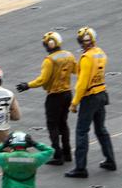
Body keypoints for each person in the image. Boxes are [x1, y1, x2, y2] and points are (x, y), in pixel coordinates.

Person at [16, 31, 77, 165]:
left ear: (50, 44)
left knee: (52, 125)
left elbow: (43, 80)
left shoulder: (49, 60)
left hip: (54, 96)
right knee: (63, 123)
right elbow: (76, 70)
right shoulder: (69, 55)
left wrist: (27, 85)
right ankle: (67, 153)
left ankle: (57, 155)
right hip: (67, 94)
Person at [65, 26, 116, 178]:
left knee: (81, 131)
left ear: (81, 42)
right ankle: (110, 160)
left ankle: (81, 168)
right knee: (101, 129)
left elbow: (82, 82)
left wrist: (74, 103)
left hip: (90, 97)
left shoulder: (86, 58)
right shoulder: (100, 53)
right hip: (101, 94)